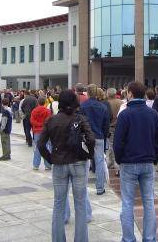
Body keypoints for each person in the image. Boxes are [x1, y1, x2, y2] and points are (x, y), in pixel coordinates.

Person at [38, 89, 95, 242]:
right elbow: (91, 139)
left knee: (59, 204)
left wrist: (50, 158)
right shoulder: (81, 119)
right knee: (80, 203)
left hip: (59, 163)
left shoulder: (52, 120)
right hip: (78, 162)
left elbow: (41, 143)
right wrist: (88, 155)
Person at [114, 81, 158, 242]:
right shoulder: (152, 114)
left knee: (127, 202)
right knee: (148, 201)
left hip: (129, 162)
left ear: (130, 94)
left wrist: (119, 159)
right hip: (147, 162)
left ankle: (128, 239)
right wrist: (155, 157)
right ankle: (149, 238)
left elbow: (118, 142)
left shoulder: (125, 114)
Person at [80, 84, 110, 195]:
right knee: (100, 161)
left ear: (87, 93)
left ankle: (81, 187)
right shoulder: (102, 107)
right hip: (99, 136)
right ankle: (100, 188)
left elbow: (80, 123)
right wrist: (104, 134)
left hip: (86, 137)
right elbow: (106, 125)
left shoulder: (83, 106)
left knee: (83, 162)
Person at [30, 96, 52, 170]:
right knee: (47, 148)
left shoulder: (34, 111)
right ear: (45, 102)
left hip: (37, 131)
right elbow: (49, 121)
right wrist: (43, 124)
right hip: (46, 131)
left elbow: (32, 121)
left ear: (37, 102)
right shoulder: (48, 111)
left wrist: (39, 125)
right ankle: (48, 165)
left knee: (37, 148)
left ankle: (36, 165)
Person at [106, 88, 123, 170]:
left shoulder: (107, 103)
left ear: (108, 94)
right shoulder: (121, 102)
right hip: (120, 126)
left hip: (110, 126)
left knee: (111, 145)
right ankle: (113, 162)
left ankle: (114, 163)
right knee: (117, 144)